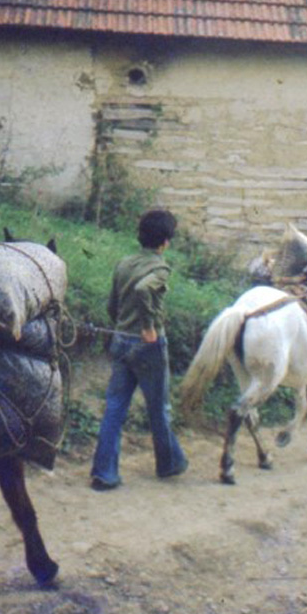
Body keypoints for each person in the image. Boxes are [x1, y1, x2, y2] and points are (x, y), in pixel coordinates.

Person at [90, 209, 188, 490]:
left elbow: (112, 305)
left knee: (115, 408)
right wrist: (147, 327)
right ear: (165, 242)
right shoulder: (159, 269)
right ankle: (169, 463)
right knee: (158, 407)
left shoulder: (124, 263)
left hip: (120, 340)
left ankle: (103, 473)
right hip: (148, 346)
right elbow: (145, 290)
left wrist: (124, 326)